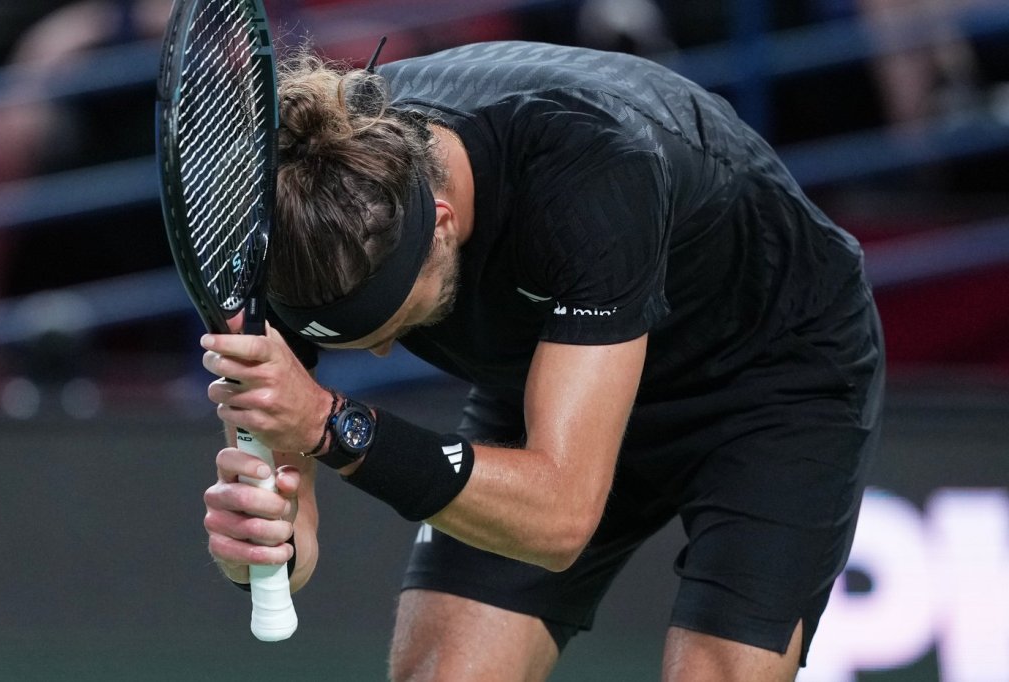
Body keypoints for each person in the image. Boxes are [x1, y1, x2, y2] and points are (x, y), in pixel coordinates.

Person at [199, 40, 885, 681]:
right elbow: (292, 534)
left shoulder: (591, 165)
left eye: (398, 324)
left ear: (442, 225)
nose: (382, 349)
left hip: (771, 375)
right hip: (549, 375)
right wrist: (263, 548)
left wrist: (332, 425)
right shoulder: (298, 211)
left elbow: (560, 519)